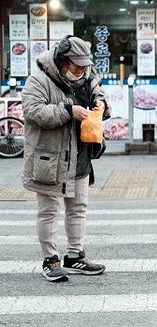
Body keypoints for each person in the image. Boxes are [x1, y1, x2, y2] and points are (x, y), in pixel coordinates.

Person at [21, 35, 111, 282]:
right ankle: (50, 260)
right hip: (50, 158)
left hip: (81, 154)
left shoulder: (87, 77)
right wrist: (68, 111)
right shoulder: (39, 79)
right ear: (62, 62)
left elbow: (98, 92)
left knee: (78, 208)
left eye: (84, 66)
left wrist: (101, 104)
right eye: (76, 66)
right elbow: (33, 111)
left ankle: (75, 256)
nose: (81, 70)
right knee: (49, 211)